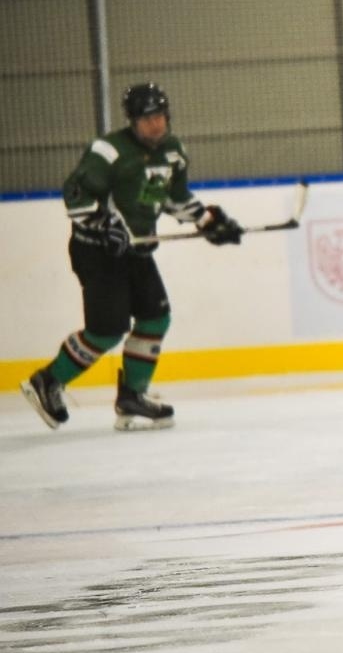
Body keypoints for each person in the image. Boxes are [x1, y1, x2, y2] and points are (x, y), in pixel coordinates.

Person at [21, 83, 243, 431]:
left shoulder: (173, 152)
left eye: (160, 117)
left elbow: (173, 199)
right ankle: (47, 381)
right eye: (147, 119)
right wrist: (103, 224)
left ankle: (132, 397)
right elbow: (75, 194)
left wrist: (209, 221)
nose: (155, 125)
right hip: (97, 252)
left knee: (156, 318)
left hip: (136, 250)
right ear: (133, 121)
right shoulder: (108, 151)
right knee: (107, 329)